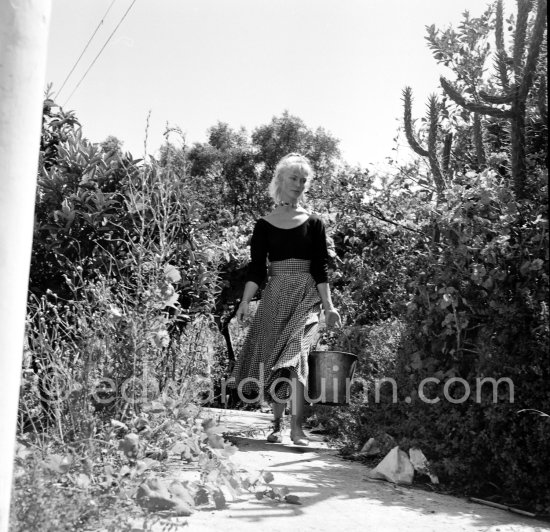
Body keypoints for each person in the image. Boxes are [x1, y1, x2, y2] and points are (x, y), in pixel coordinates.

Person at [230, 153, 341, 446]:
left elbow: (320, 268)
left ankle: (296, 429)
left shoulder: (314, 223)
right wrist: (244, 303)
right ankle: (277, 424)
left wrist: (329, 307)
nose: (299, 184)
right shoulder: (264, 224)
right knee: (279, 363)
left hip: (306, 296)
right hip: (276, 297)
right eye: (294, 177)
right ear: (280, 179)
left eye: (304, 180)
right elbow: (257, 270)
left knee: (296, 355)